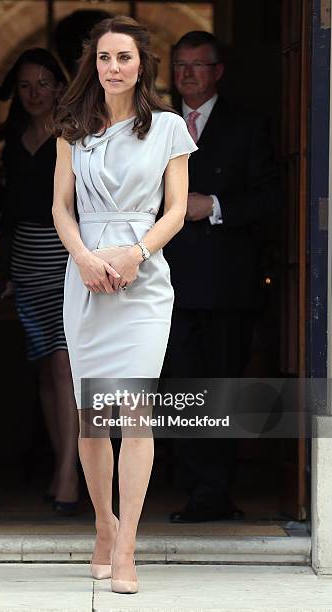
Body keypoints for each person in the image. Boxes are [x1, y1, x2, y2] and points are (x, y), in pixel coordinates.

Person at [52, 15, 196, 594]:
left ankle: (129, 546)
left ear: (143, 66)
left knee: (134, 415)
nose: (114, 67)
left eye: (125, 58)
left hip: (143, 279)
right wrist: (85, 258)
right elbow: (61, 208)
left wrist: (136, 253)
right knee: (93, 419)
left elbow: (178, 210)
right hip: (84, 277)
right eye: (106, 58)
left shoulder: (167, 128)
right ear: (94, 64)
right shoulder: (72, 128)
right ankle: (103, 528)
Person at [164, 31, 280, 523]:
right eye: (180, 66)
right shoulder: (158, 124)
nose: (187, 74)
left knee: (221, 387)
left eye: (198, 65)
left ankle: (214, 491)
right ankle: (194, 485)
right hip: (166, 280)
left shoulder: (247, 125)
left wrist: (212, 205)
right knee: (178, 385)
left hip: (227, 282)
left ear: (217, 72)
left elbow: (271, 197)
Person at [0, 48, 79, 514]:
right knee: (46, 366)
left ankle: (69, 473)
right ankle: (64, 465)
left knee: (66, 366)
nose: (34, 93)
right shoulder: (13, 136)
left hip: (65, 258)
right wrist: (3, 269)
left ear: (60, 86)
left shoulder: (75, 134)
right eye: (25, 85)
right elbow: (7, 214)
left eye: (44, 83)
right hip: (25, 262)